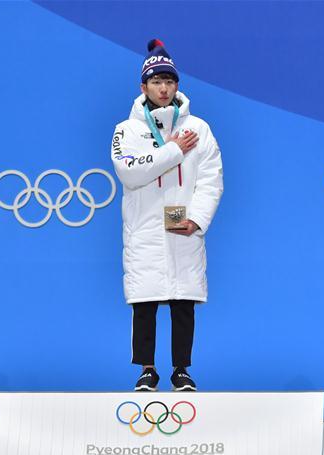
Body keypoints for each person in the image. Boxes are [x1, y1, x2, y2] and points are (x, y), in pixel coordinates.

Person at [110, 39, 224, 392]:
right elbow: (129, 171)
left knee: (182, 299)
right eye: (156, 82)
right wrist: (174, 150)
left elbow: (211, 177)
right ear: (143, 87)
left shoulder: (199, 128)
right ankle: (147, 369)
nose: (164, 88)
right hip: (144, 222)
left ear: (178, 85)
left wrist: (198, 218)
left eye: (170, 81)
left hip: (179, 217)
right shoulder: (126, 130)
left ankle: (181, 369)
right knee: (145, 301)